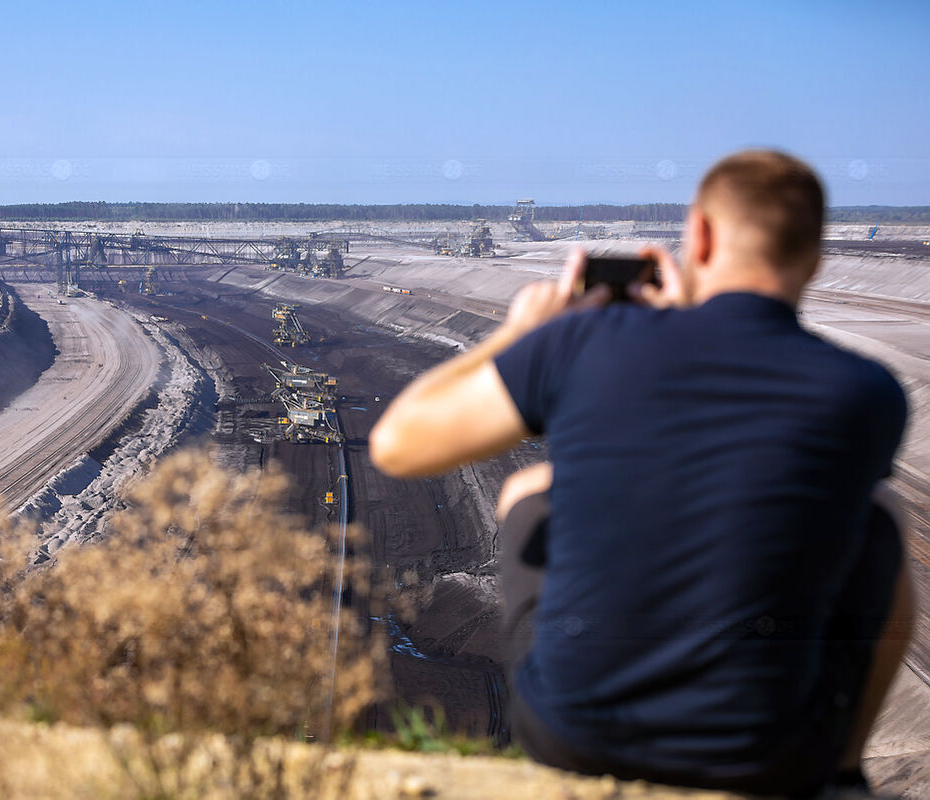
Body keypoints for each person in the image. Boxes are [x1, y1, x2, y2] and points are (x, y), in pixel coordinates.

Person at [369, 150, 913, 795]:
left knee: (530, 488)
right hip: (772, 752)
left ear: (700, 236)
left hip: (572, 734)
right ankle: (846, 768)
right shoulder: (867, 391)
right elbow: (731, 455)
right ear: (818, 255)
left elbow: (397, 445)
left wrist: (521, 336)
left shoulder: (584, 344)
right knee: (880, 517)